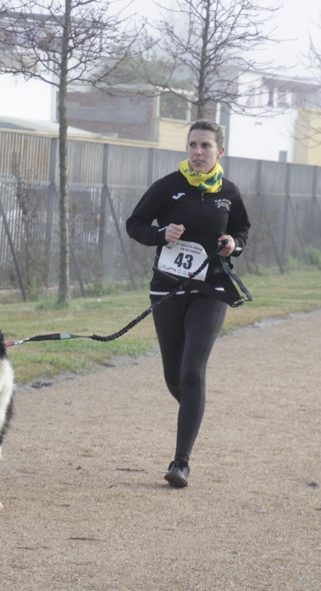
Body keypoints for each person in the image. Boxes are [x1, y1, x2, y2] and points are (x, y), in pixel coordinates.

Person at [125, 120, 251, 488]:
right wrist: (160, 234)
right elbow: (135, 224)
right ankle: (193, 411)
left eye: (206, 146)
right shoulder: (168, 187)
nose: (198, 152)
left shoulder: (229, 192)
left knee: (193, 371)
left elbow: (242, 230)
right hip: (167, 289)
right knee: (174, 377)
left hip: (210, 290)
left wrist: (233, 244)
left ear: (219, 152)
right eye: (193, 145)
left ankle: (180, 461)